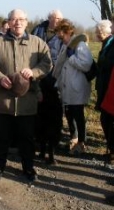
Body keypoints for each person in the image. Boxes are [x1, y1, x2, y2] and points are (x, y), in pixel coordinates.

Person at [0, 9, 52, 182]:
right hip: (4, 101)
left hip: (27, 101)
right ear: (9, 22)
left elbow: (47, 63)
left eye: (21, 19)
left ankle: (28, 168)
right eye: (14, 19)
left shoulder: (37, 43)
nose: (18, 23)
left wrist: (34, 72)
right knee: (1, 136)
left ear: (27, 22)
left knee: (27, 138)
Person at [53, 19, 93, 155]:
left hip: (77, 87)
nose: (60, 39)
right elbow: (62, 68)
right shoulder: (67, 45)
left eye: (61, 36)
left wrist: (72, 58)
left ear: (67, 32)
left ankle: (82, 143)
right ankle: (73, 139)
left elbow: (86, 64)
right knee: (69, 114)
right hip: (68, 87)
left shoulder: (80, 44)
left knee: (78, 115)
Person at [31, 10, 64, 164]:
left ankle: (51, 152)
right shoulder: (38, 30)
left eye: (59, 18)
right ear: (49, 18)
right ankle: (41, 148)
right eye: (54, 18)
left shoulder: (64, 34)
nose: (56, 21)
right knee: (40, 117)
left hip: (57, 81)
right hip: (40, 79)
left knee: (55, 119)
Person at [94, 19, 114, 164]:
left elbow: (107, 63)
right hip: (106, 87)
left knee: (108, 121)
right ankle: (111, 149)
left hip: (109, 86)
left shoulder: (111, 44)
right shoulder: (107, 44)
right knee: (105, 119)